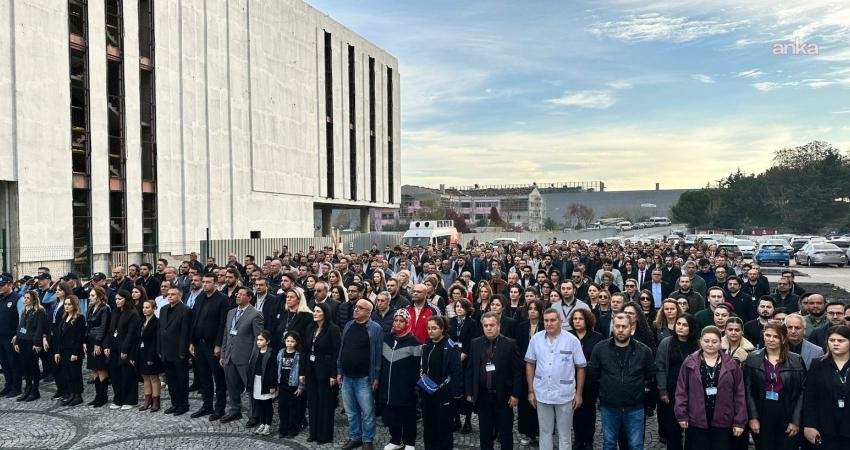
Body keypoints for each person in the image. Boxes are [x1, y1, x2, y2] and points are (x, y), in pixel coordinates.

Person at [588, 312, 657, 450]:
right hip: (609, 406)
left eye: (624, 326)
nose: (620, 330)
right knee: (609, 443)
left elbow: (651, 375)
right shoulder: (600, 349)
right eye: (617, 326)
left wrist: (644, 392)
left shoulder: (644, 350)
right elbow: (593, 375)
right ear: (613, 327)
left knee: (636, 445)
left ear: (631, 328)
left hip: (635, 407)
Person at [674, 326, 747, 450]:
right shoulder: (689, 363)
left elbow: (739, 393)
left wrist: (739, 421)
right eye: (706, 341)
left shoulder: (731, 364)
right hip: (697, 418)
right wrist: (681, 414)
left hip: (723, 419)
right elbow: (681, 390)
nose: (710, 345)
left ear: (720, 343)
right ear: (700, 341)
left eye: (714, 341)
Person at [525, 307, 587, 450]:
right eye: (546, 320)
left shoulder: (572, 340)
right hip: (542, 392)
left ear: (561, 321)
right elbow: (530, 364)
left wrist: (578, 394)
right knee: (545, 432)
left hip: (565, 394)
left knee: (565, 434)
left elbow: (581, 367)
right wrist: (530, 390)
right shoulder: (536, 339)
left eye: (553, 320)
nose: (549, 323)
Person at [466, 311, 523, 450]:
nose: (489, 328)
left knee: (505, 433)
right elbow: (470, 369)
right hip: (483, 396)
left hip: (503, 396)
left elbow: (517, 372)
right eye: (485, 325)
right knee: (485, 433)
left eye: (492, 325)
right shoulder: (475, 343)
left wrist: (515, 394)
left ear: (499, 325)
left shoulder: (510, 344)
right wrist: (470, 392)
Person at [743, 323, 805, 450]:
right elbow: (748, 390)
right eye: (768, 335)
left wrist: (796, 420)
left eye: (775, 336)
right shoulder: (752, 358)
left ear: (783, 338)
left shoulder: (796, 360)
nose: (771, 339)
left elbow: (802, 392)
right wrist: (753, 417)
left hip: (787, 412)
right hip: (763, 412)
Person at [337, 298, 383, 450]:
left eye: (360, 308)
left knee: (367, 412)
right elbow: (342, 349)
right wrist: (339, 371)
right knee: (351, 412)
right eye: (356, 307)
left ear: (368, 312)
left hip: (364, 378)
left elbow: (377, 354)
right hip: (347, 376)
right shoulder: (349, 325)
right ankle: (355, 436)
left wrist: (376, 377)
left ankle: (367, 440)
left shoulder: (375, 328)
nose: (356, 309)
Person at [220, 287, 264, 425]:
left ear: (249, 297)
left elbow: (259, 338)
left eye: (241, 294)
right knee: (231, 385)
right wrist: (223, 353)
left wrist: (253, 358)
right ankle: (235, 409)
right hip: (229, 356)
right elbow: (226, 334)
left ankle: (255, 415)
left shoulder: (256, 314)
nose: (237, 296)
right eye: (237, 294)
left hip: (246, 358)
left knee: (250, 388)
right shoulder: (231, 312)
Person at [802, 325, 850, 450]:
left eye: (841, 340)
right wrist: (809, 425)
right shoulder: (818, 364)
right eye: (832, 340)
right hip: (825, 426)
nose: (835, 344)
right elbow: (809, 397)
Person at [189, 274, 230, 420]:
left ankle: (220, 408)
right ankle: (207, 405)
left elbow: (222, 323)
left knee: (218, 378)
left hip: (214, 345)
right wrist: (192, 342)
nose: (205, 284)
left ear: (216, 284)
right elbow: (194, 320)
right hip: (199, 343)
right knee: (204, 376)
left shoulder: (223, 299)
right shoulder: (200, 298)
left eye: (208, 282)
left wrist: (219, 344)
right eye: (204, 282)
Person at [656, 314, 699, 450]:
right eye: (678, 324)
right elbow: (660, 366)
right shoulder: (667, 342)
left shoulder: (697, 345)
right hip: (672, 389)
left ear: (691, 328)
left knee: (693, 427)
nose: (680, 327)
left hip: (693, 391)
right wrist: (662, 390)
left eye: (684, 325)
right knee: (673, 428)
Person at [419, 315, 463, 450]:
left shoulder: (450, 346)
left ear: (442, 329)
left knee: (443, 427)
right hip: (427, 392)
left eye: (434, 328)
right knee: (428, 425)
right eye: (428, 328)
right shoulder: (427, 344)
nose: (430, 331)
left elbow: (456, 371)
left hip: (444, 393)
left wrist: (455, 392)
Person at [379, 309, 421, 450]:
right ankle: (396, 440)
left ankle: (409, 442)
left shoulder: (414, 342)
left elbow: (417, 367)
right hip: (388, 386)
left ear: (407, 323)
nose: (397, 323)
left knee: (408, 416)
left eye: (401, 321)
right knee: (391, 415)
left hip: (406, 388)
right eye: (395, 320)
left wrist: (414, 387)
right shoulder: (387, 338)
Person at [300, 302, 341, 444]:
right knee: (312, 403)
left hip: (325, 371)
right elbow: (305, 350)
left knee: (325, 404)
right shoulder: (310, 328)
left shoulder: (333, 329)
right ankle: (313, 433)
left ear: (325, 313)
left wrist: (333, 374)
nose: (315, 313)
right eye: (314, 311)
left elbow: (337, 353)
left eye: (318, 311)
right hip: (311, 370)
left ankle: (324, 435)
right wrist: (302, 371)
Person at [570, 308, 604, 450]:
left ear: (587, 320)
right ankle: (578, 439)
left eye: (580, 318)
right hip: (571, 378)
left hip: (590, 381)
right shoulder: (569, 336)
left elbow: (599, 360)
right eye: (575, 319)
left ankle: (588, 439)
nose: (577, 321)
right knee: (575, 410)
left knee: (589, 410)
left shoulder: (597, 337)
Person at [105, 289, 141, 410]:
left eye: (120, 299)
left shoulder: (132, 314)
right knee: (115, 375)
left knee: (128, 375)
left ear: (126, 299)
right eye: (116, 299)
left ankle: (130, 400)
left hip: (127, 349)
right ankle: (118, 399)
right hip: (114, 348)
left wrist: (125, 350)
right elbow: (110, 331)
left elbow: (131, 334)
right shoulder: (115, 312)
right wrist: (107, 346)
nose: (117, 301)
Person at [158, 287, 192, 415]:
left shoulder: (185, 310)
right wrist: (159, 348)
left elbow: (185, 333)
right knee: (171, 380)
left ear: (180, 296)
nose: (170, 296)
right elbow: (160, 330)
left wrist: (183, 352)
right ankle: (175, 403)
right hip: (165, 351)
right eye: (169, 294)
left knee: (181, 380)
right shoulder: (163, 309)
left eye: (173, 294)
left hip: (178, 351)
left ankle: (183, 405)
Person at [449, 297, 479, 434]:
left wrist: (462, 356)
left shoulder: (472, 323)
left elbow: (471, 341)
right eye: (457, 306)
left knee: (466, 390)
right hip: (453, 357)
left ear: (467, 309)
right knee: (454, 390)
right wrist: (453, 357)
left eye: (461, 306)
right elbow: (449, 339)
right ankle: (455, 419)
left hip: (466, 360)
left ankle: (467, 421)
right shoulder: (451, 321)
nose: (458, 309)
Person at [14, 290, 47, 401]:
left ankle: (35, 390)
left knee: (33, 366)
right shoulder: (24, 310)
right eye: (25, 298)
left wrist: (37, 343)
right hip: (22, 341)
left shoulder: (39, 311)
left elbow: (39, 328)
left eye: (28, 298)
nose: (25, 300)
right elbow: (20, 327)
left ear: (33, 299)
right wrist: (17, 340)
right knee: (25, 366)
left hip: (32, 342)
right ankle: (27, 388)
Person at [53, 295, 86, 406]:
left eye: (69, 304)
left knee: (75, 374)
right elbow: (59, 336)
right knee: (67, 373)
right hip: (63, 350)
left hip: (73, 351)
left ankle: (78, 395)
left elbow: (79, 337)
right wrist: (57, 351)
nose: (66, 306)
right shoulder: (64, 317)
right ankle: (71, 394)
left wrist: (75, 353)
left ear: (74, 305)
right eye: (65, 304)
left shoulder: (79, 318)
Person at [247, 330, 278, 436]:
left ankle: (268, 425)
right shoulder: (256, 352)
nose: (258, 342)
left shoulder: (271, 353)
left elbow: (273, 370)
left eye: (261, 340)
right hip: (256, 380)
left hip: (266, 382)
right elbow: (251, 368)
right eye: (258, 340)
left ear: (268, 341)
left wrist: (273, 385)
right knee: (259, 403)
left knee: (267, 404)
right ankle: (262, 422)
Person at [276, 331, 306, 439]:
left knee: (293, 408)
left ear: (296, 342)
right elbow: (277, 368)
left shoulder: (298, 355)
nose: (289, 343)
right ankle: (283, 428)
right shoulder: (280, 352)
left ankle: (293, 429)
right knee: (282, 408)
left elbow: (302, 372)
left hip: (293, 386)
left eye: (292, 341)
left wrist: (301, 387)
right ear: (284, 341)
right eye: (287, 341)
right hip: (282, 384)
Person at [85, 286, 111, 407]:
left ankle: (103, 396)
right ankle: (97, 395)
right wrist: (85, 341)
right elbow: (88, 325)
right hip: (90, 340)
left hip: (98, 342)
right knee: (94, 368)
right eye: (90, 295)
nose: (90, 297)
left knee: (101, 368)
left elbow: (103, 327)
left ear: (99, 297)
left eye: (92, 295)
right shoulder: (91, 308)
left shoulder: (105, 308)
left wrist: (97, 343)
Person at [138, 299, 163, 412]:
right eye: (144, 307)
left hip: (151, 353)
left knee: (153, 377)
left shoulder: (156, 322)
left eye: (147, 307)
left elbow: (155, 341)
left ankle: (156, 401)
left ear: (154, 309)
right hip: (142, 352)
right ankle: (147, 400)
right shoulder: (142, 321)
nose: (144, 309)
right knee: (145, 377)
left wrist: (151, 357)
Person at [0, 275, 22, 398]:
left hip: (11, 336)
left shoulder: (18, 298)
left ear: (10, 285)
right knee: (4, 363)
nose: (0, 288)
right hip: (1, 336)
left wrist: (17, 335)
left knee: (14, 362)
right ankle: (8, 385)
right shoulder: (0, 298)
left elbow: (22, 318)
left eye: (3, 285)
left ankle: (16, 387)